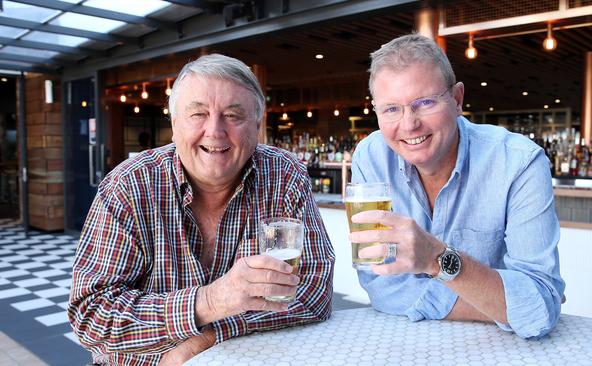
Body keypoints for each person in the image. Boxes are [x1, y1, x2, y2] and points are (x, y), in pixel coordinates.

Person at [68, 54, 335, 365]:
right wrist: (208, 301)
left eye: (233, 115)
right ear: (175, 123)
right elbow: (91, 316)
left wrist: (211, 337)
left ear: (257, 126)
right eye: (198, 114)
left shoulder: (284, 176)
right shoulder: (129, 185)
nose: (215, 131)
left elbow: (314, 292)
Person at [349, 34, 565, 338]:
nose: (409, 125)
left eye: (424, 103)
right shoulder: (371, 156)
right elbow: (380, 286)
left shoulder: (519, 162)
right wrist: (503, 304)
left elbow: (537, 309)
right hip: (404, 344)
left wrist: (436, 259)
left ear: (457, 99)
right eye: (391, 109)